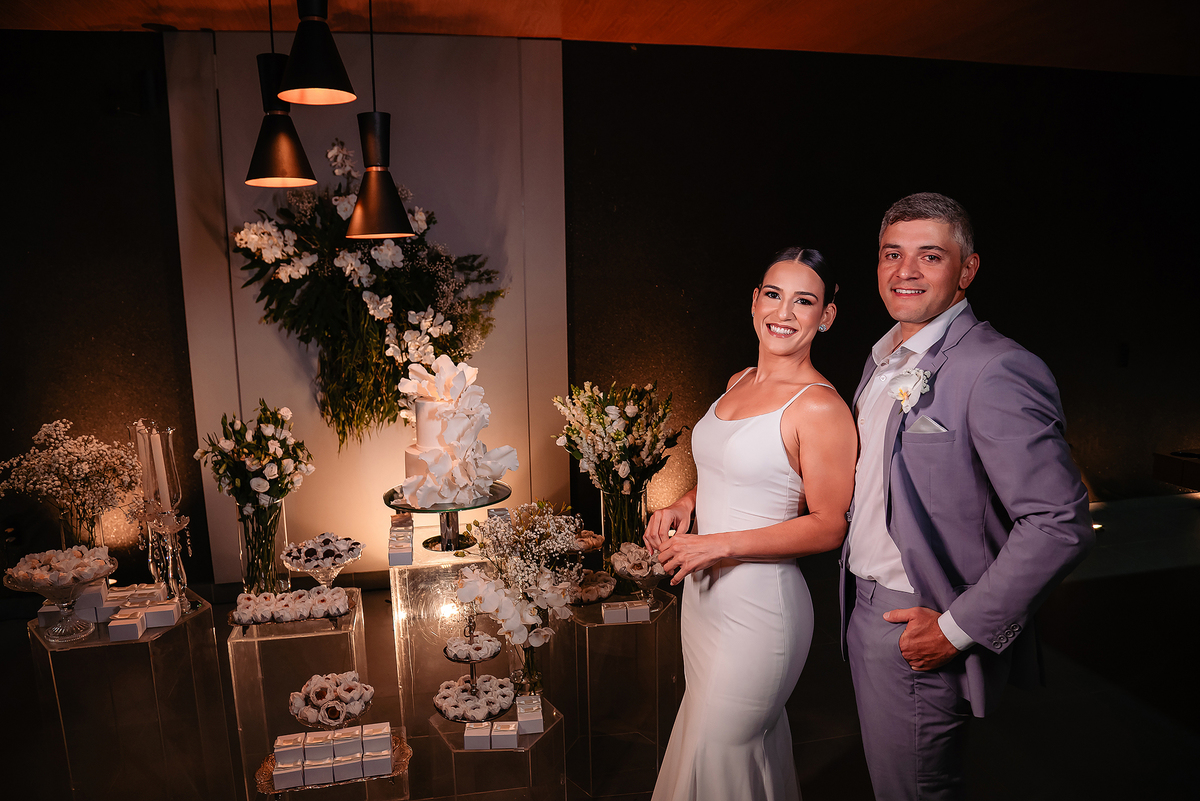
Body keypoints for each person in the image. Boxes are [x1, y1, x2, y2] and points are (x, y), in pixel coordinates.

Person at [842, 192, 1094, 800]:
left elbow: (1057, 522)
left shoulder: (996, 367)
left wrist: (956, 629)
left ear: (967, 269)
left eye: (929, 256)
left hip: (918, 618)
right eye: (892, 254)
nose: (905, 271)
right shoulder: (883, 359)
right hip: (860, 606)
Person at [645, 247, 857, 801]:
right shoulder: (739, 379)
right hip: (704, 600)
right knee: (711, 740)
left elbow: (829, 525)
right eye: (774, 295)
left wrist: (717, 545)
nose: (784, 312)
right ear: (755, 300)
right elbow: (734, 473)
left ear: (826, 316)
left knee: (722, 748)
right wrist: (684, 503)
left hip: (762, 610)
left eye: (803, 301)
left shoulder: (821, 408)